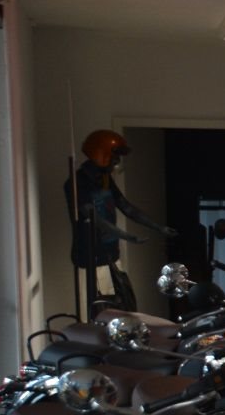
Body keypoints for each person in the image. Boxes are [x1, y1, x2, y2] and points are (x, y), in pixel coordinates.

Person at [64, 129, 176, 312]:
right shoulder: (78, 183)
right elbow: (94, 218)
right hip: (91, 259)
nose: (116, 161)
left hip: (110, 256)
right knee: (96, 310)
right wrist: (127, 236)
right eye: (114, 156)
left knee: (120, 305)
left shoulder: (105, 179)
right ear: (102, 154)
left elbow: (126, 206)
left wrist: (158, 227)